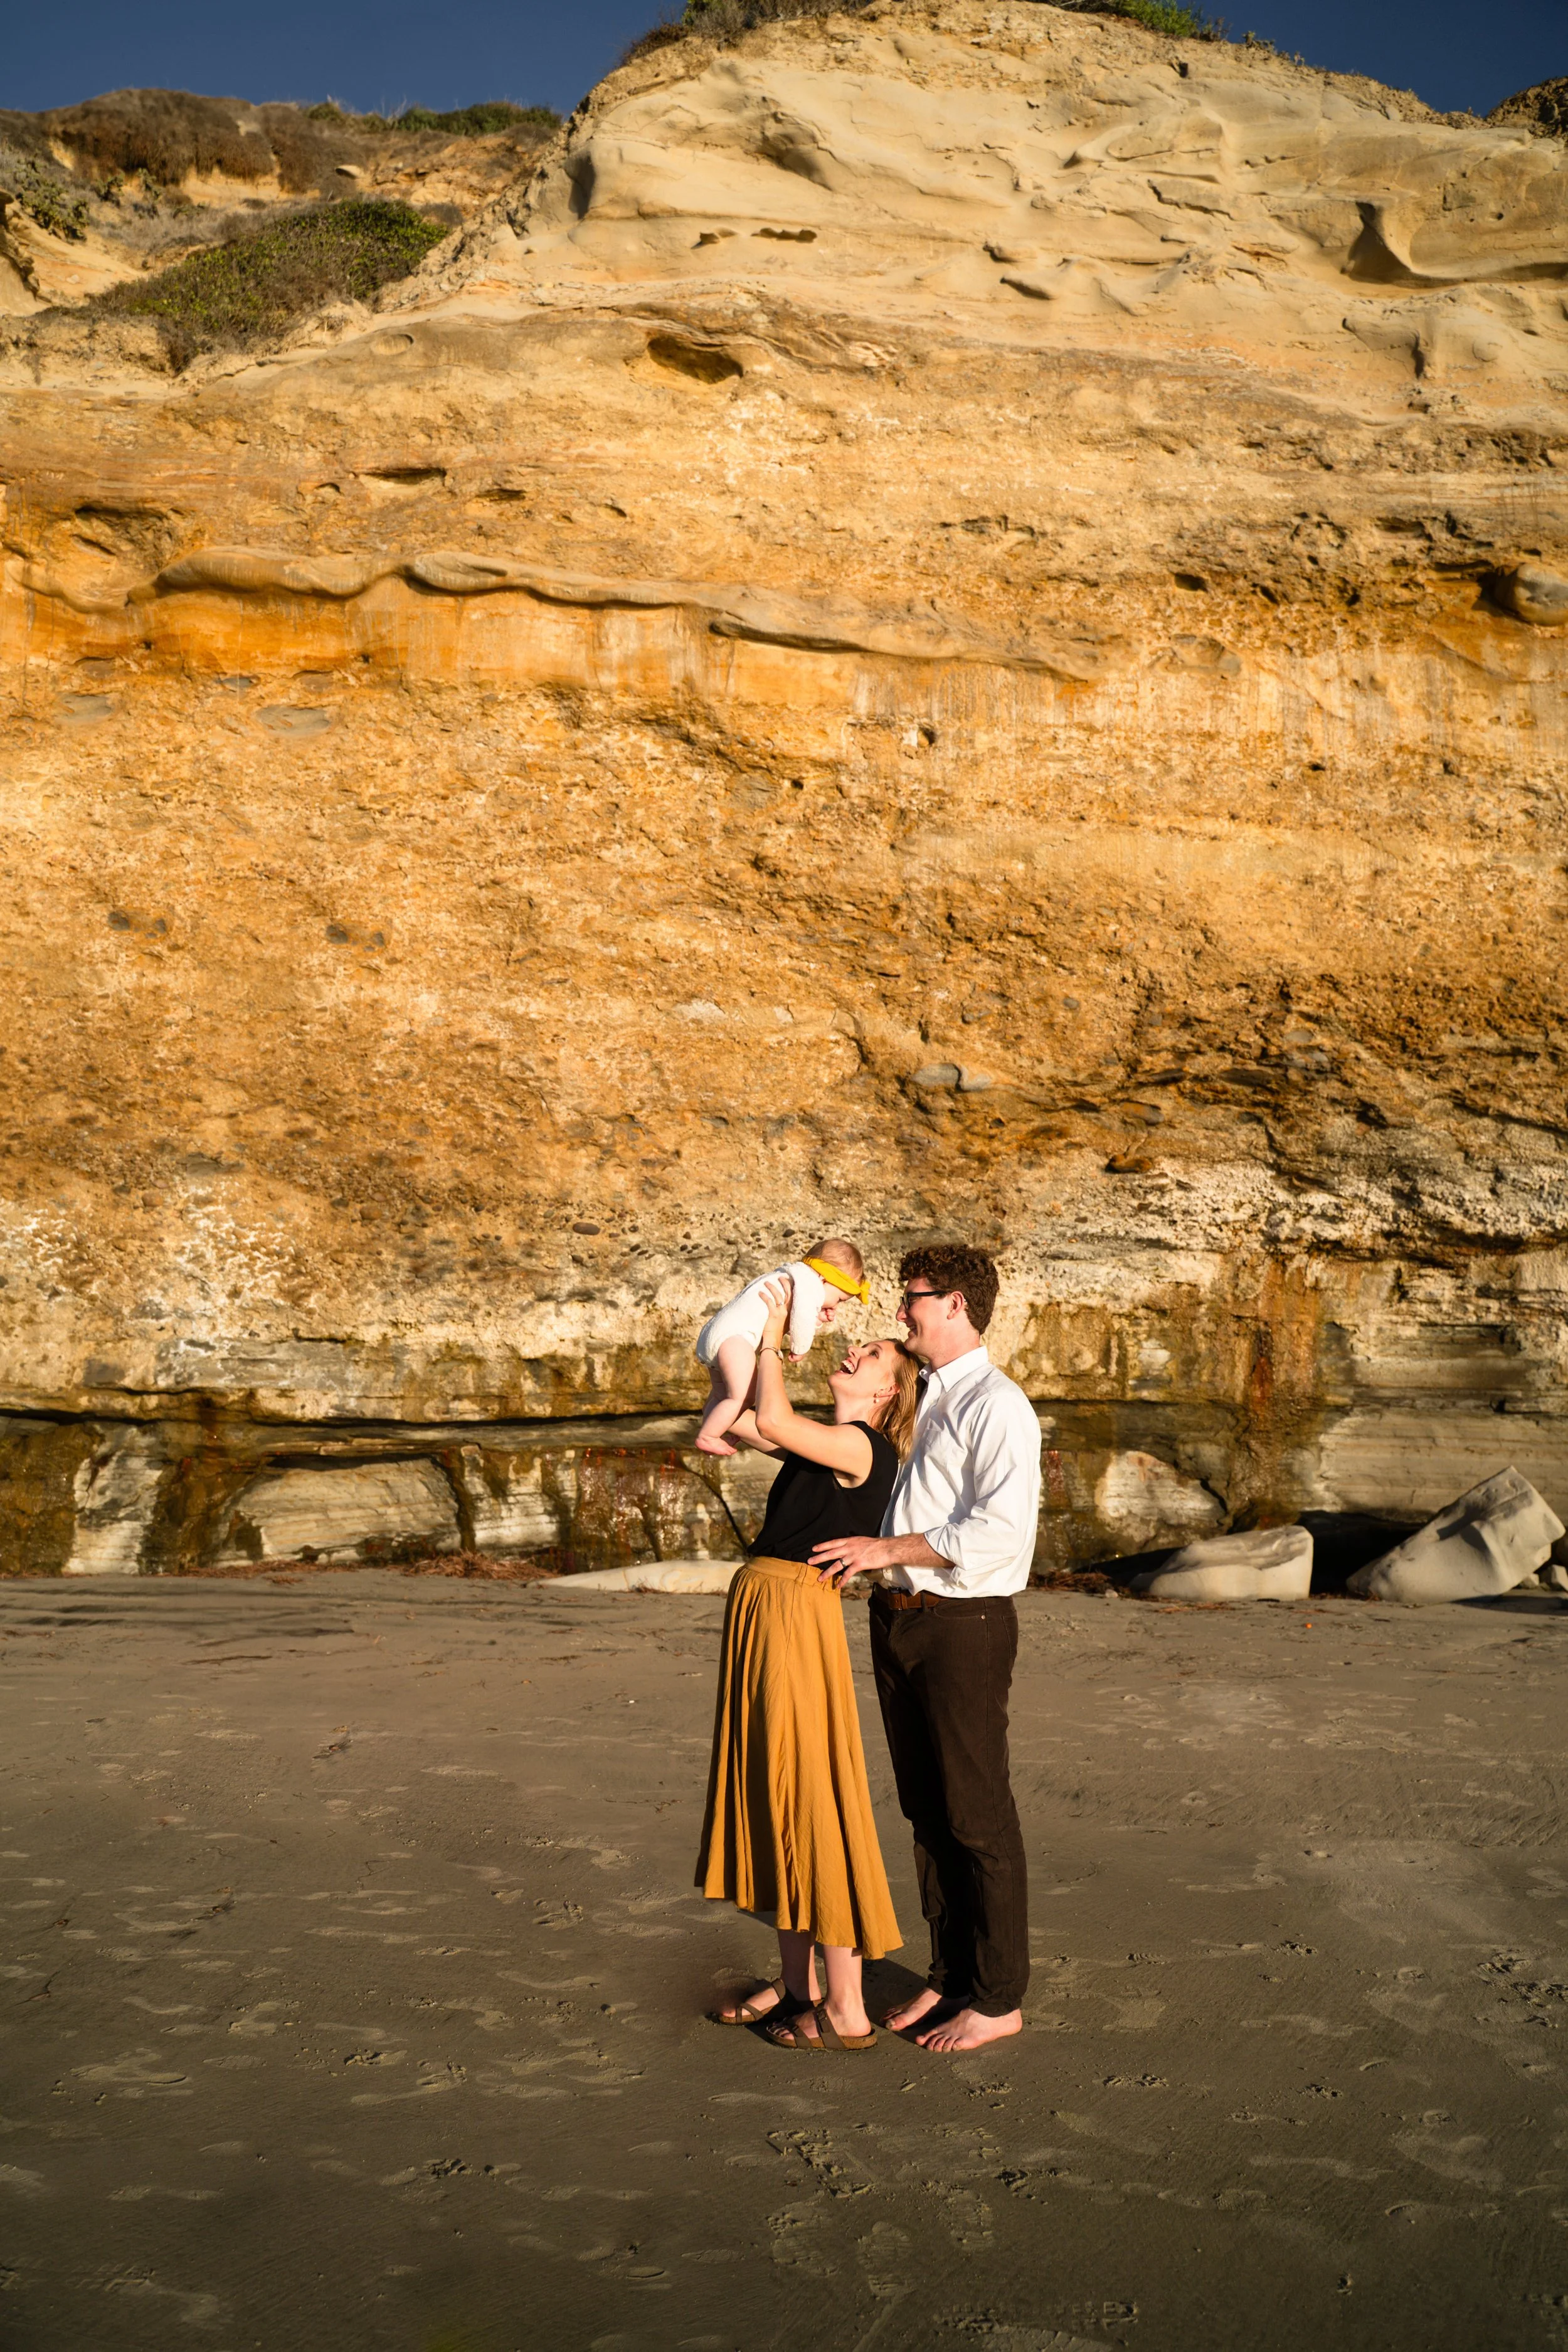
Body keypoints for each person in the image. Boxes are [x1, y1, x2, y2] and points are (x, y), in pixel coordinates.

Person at [809, 1243, 1041, 2055]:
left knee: (977, 1816)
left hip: (963, 1627)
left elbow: (1000, 1536)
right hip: (901, 1618)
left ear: (956, 1305)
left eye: (914, 1298)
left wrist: (882, 1550)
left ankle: (999, 1994)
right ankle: (948, 1974)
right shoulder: (933, 1397)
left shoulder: (997, 1404)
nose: (902, 1310)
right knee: (924, 1810)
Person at [695, 1281, 920, 2050]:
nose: (853, 1351)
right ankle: (800, 1991)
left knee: (807, 1795)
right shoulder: (825, 1440)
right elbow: (754, 1421)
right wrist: (754, 1327)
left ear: (887, 1393)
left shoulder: (864, 1446)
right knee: (774, 1790)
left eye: (871, 1355)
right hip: (770, 1611)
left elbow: (775, 1417)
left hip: (793, 1615)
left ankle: (846, 2009)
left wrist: (770, 1337)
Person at [693, 1238, 869, 1456]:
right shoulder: (810, 1284)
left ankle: (718, 1427)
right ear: (824, 1279)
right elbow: (801, 1320)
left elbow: (795, 1311)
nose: (836, 1306)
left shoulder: (791, 1275)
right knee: (746, 1396)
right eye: (840, 1299)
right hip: (735, 1340)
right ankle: (708, 1436)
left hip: (716, 1337)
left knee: (723, 1397)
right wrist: (800, 1347)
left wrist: (818, 1316)